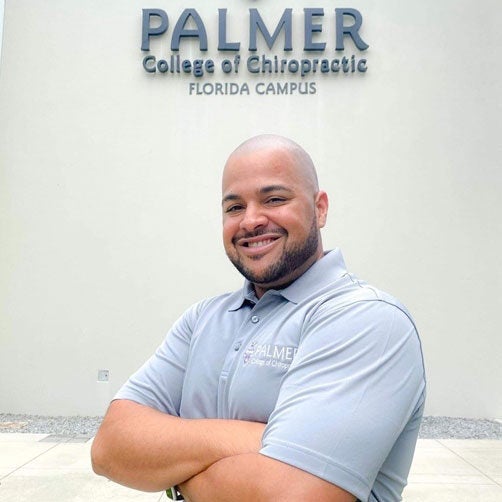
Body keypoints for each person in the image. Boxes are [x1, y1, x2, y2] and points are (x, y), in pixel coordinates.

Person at [91, 134, 426, 502]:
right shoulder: (203, 319)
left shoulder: (368, 321)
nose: (250, 220)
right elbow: (109, 447)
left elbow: (292, 496)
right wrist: (256, 439)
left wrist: (173, 471)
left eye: (275, 199)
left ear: (321, 208)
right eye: (234, 207)